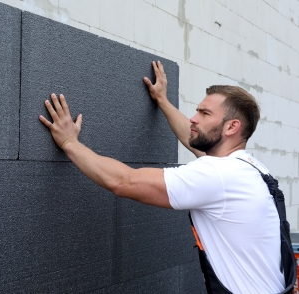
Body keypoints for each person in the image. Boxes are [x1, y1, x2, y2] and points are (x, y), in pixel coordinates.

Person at [39, 61, 285, 293]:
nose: (193, 118)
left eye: (205, 114)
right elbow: (196, 144)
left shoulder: (218, 175)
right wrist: (162, 101)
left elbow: (125, 182)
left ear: (232, 127)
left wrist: (70, 142)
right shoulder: (250, 168)